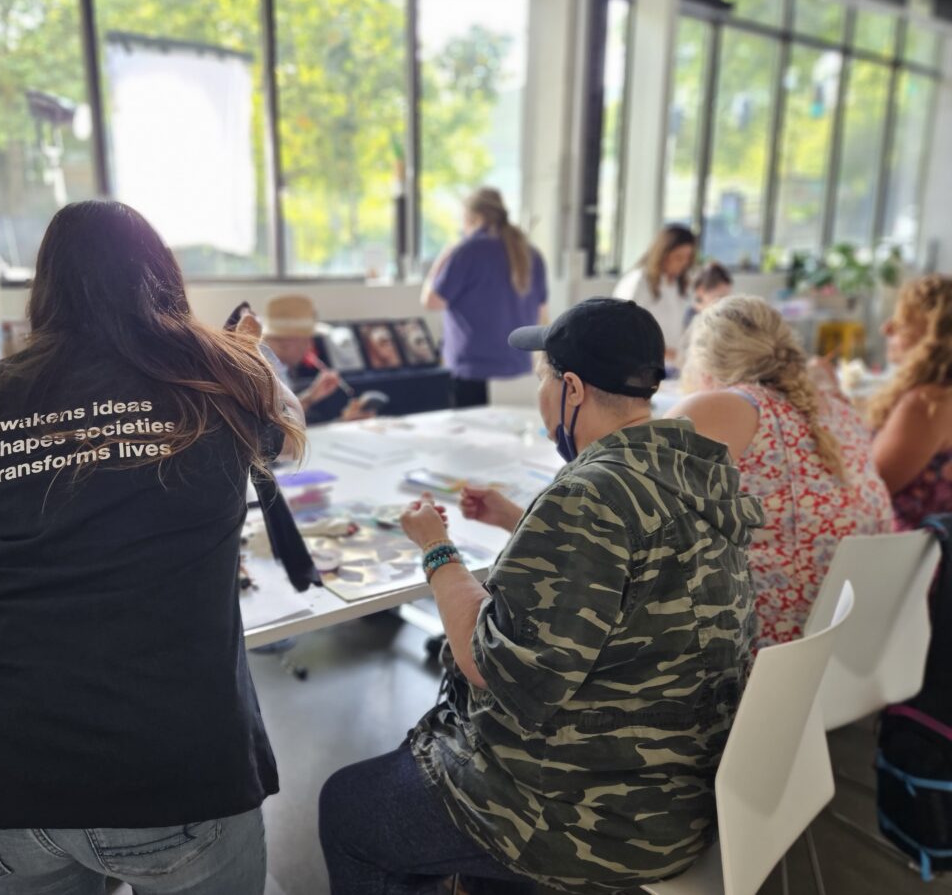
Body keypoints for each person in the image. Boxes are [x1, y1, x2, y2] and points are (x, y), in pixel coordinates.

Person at [0, 201, 305, 895]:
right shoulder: (221, 378)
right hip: (169, 767)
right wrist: (246, 348)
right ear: (164, 276)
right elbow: (285, 433)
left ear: (43, 289)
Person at [320, 298, 763, 894]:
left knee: (346, 807)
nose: (540, 394)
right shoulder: (698, 467)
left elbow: (488, 667)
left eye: (541, 379)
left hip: (588, 820)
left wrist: (436, 549)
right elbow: (630, 574)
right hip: (681, 793)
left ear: (571, 389)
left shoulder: (589, 494)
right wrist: (521, 520)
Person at [669, 295, 893, 650]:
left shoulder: (721, 407)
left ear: (703, 364)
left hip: (758, 662)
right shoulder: (838, 409)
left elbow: (637, 515)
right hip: (850, 652)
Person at [421, 187, 547, 408]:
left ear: (472, 217)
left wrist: (439, 263)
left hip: (473, 371)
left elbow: (431, 301)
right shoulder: (531, 253)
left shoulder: (465, 252)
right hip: (519, 370)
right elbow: (542, 314)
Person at [867, 274, 952, 530]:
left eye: (901, 321)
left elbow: (868, 492)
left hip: (907, 561)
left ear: (932, 333)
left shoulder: (926, 404)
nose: (886, 328)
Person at [260, 294, 375, 422]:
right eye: (307, 339)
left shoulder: (277, 365)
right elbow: (278, 426)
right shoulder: (263, 372)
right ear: (287, 341)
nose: (309, 347)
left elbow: (284, 417)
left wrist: (312, 396)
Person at [613, 224, 697, 363]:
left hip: (670, 365)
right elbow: (625, 330)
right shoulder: (638, 281)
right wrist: (663, 352)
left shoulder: (680, 285)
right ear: (663, 254)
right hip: (639, 362)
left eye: (687, 257)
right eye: (678, 257)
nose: (683, 263)